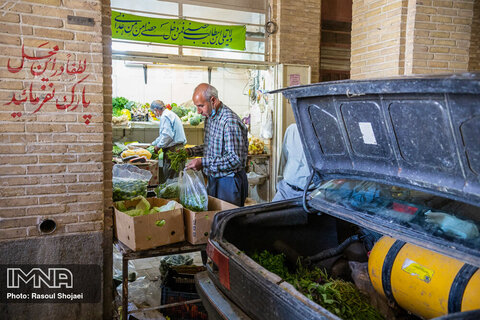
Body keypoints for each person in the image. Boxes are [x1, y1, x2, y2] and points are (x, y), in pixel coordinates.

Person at [185, 83, 249, 207]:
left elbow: (235, 159)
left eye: (201, 106)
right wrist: (190, 152)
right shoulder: (210, 118)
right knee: (214, 219)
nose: (198, 111)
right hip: (214, 178)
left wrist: (203, 162)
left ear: (212, 100)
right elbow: (211, 147)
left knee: (227, 221)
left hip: (229, 181)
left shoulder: (229, 121)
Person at [273, 123, 316, 201]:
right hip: (285, 190)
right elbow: (284, 157)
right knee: (269, 212)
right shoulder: (292, 129)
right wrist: (279, 180)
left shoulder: (323, 134)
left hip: (309, 194)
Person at [150, 100, 187, 181]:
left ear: (156, 110)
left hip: (173, 151)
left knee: (172, 179)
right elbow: (163, 135)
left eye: (154, 112)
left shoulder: (165, 116)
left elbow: (167, 136)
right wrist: (153, 144)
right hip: (177, 149)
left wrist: (158, 146)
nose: (155, 114)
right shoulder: (170, 114)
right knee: (177, 178)